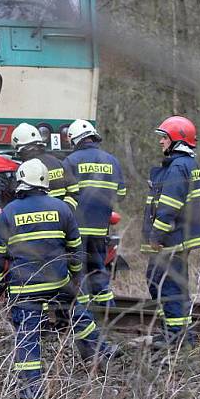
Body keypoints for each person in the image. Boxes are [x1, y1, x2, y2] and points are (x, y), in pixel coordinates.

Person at [0, 159, 118, 399]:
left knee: (27, 335)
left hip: (25, 287)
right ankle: (101, 349)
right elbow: (76, 248)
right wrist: (76, 276)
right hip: (58, 282)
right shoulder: (62, 208)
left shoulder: (9, 211)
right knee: (77, 311)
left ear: (21, 183)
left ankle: (31, 390)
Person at [142, 116, 200, 348]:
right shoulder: (187, 164)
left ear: (177, 140)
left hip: (171, 239)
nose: (161, 142)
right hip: (179, 238)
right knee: (171, 285)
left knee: (164, 284)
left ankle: (175, 336)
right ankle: (179, 333)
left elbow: (169, 205)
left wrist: (156, 235)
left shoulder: (179, 167)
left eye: (164, 137)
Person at [63, 120, 126, 307]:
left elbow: (66, 195)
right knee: (98, 270)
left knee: (77, 271)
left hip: (76, 229)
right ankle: (108, 314)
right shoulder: (112, 161)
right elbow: (121, 195)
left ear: (74, 139)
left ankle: (83, 316)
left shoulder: (70, 161)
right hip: (100, 228)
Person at [11, 122, 78, 210]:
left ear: (20, 150)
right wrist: (65, 211)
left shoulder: (24, 170)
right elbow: (74, 191)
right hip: (60, 218)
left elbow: (17, 197)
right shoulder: (58, 163)